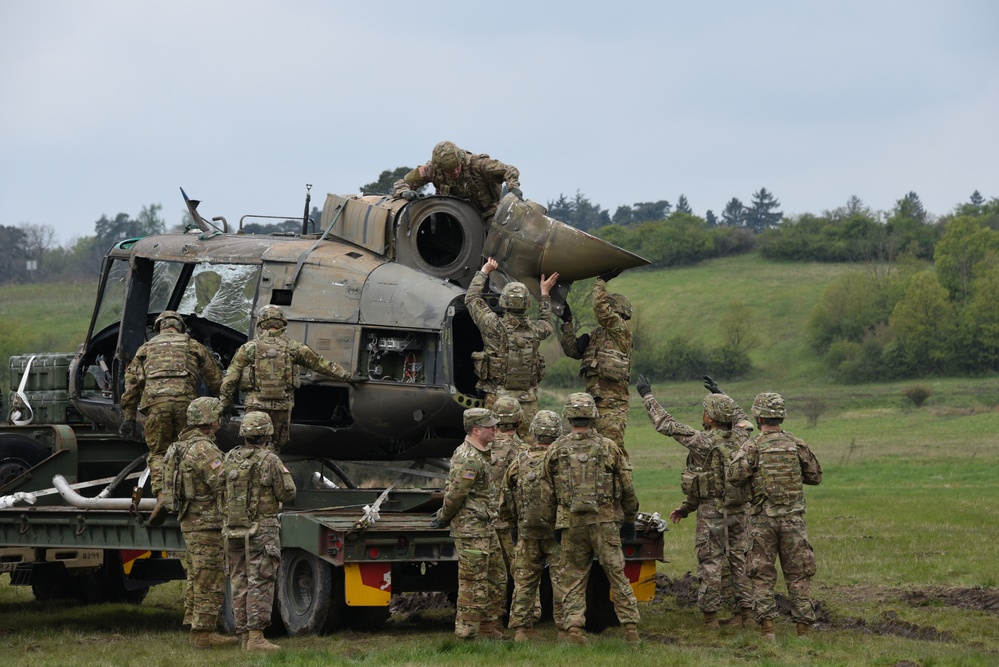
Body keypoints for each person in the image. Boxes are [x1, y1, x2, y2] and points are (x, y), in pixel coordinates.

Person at [635, 375, 755, 630]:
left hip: (712, 511)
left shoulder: (703, 441)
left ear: (711, 418)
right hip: (740, 511)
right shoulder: (745, 436)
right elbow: (744, 419)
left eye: (706, 410)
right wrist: (723, 395)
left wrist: (647, 396)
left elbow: (666, 424)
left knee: (710, 563)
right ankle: (746, 615)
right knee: (740, 561)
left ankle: (711, 619)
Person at [544, 392, 640, 645]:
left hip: (570, 523)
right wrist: (629, 519)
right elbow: (628, 487)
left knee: (573, 577)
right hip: (604, 521)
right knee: (616, 574)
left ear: (568, 416)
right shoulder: (609, 447)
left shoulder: (556, 449)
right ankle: (631, 629)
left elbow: (547, 493)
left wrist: (555, 522)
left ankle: (574, 629)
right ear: (593, 416)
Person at [727, 392, 823, 642]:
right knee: (799, 574)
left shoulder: (753, 445)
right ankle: (802, 631)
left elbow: (735, 476)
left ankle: (768, 631)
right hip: (793, 521)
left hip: (762, 521)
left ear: (758, 417)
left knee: (762, 575)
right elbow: (815, 476)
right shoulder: (796, 444)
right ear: (781, 416)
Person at [120, 310, 223, 525]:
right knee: (189, 450)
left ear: (159, 327)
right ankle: (192, 499)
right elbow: (214, 377)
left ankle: (162, 497)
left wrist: (128, 416)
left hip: (156, 407)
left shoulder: (145, 349)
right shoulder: (192, 345)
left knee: (158, 453)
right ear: (180, 326)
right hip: (186, 407)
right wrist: (224, 404)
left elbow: (131, 386)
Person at [220, 304, 360, 452]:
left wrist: (225, 405)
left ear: (261, 324)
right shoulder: (293, 347)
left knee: (252, 446)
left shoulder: (248, 348)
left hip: (255, 406)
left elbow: (230, 378)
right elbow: (321, 364)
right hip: (281, 407)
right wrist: (347, 376)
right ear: (282, 323)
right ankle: (272, 471)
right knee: (274, 447)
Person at [162, 397, 235, 648]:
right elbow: (223, 482)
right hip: (207, 522)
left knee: (196, 575)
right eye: (217, 415)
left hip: (192, 521)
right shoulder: (204, 448)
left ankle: (195, 626)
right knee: (209, 576)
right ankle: (204, 633)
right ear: (211, 420)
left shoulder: (183, 445)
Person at [431, 407, 507, 640]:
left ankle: (488, 626)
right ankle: (466, 633)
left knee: (497, 577)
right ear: (476, 430)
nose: (495, 429)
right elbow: (455, 495)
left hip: (486, 526)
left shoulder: (482, 452)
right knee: (473, 582)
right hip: (471, 529)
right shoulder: (468, 458)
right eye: (490, 426)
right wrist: (443, 517)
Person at [223, 411, 296, 651]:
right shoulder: (270, 460)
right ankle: (256, 638)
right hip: (261, 530)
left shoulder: (230, 457)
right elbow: (287, 492)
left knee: (239, 579)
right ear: (267, 434)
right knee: (260, 580)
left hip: (234, 529)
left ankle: (245, 636)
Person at [465, 257, 558, 439]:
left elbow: (472, 298)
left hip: (497, 399)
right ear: (527, 304)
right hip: (528, 401)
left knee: (497, 445)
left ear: (504, 302)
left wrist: (484, 271)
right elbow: (547, 321)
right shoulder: (535, 329)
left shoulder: (492, 325)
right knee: (528, 447)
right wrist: (545, 293)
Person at [500, 409, 566, 642]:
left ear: (534, 432)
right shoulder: (561, 459)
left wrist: (515, 525)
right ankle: (565, 630)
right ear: (558, 432)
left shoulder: (520, 460)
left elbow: (505, 497)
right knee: (561, 580)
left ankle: (521, 630)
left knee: (524, 581)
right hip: (556, 532)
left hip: (527, 530)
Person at [558, 268, 634, 455]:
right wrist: (567, 323)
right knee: (591, 452)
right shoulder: (597, 335)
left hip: (612, 406)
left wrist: (601, 281)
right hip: (592, 403)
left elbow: (600, 309)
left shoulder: (621, 331)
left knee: (613, 450)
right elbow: (573, 351)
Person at [392, 140, 522, 225]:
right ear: (440, 169)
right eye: (449, 171)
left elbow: (509, 170)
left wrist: (513, 189)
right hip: (453, 217)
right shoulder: (431, 170)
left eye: (457, 167)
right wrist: (405, 192)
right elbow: (403, 183)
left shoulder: (479, 165)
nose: (454, 172)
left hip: (487, 214)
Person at [489, 395, 527, 575]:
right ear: (519, 418)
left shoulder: (480, 448)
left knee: (492, 577)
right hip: (513, 523)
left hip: (486, 522)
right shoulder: (524, 451)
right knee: (521, 573)